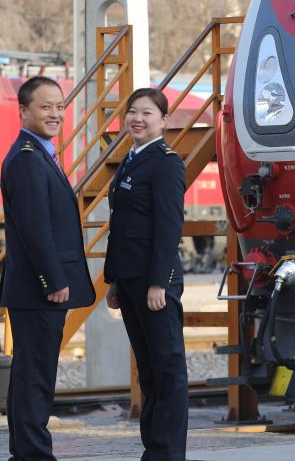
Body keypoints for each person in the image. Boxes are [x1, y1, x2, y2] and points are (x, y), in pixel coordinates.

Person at [0, 75, 95, 461]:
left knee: (30, 374)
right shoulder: (26, 158)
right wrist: (53, 279)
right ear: (23, 111)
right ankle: (34, 454)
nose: (55, 113)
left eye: (60, 106)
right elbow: (34, 226)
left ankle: (25, 453)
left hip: (35, 288)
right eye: (45, 106)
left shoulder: (38, 154)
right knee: (36, 376)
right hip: (40, 290)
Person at [104, 88, 188, 461]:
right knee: (149, 371)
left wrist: (159, 282)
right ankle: (154, 450)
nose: (138, 119)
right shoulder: (131, 159)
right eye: (133, 112)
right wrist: (115, 281)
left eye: (147, 113)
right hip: (131, 280)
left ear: (164, 121)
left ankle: (168, 453)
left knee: (167, 370)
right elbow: (121, 225)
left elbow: (169, 228)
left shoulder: (166, 163)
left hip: (154, 283)